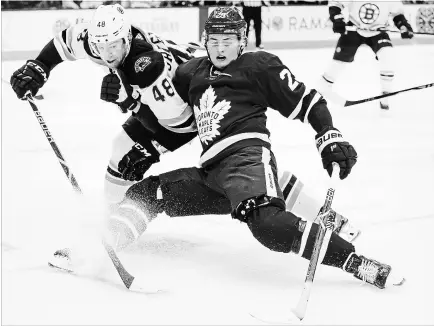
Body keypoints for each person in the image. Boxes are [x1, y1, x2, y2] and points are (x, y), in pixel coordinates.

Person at [10, 4, 359, 272]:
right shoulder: (96, 37)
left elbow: (177, 121)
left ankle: (109, 229)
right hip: (170, 95)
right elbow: (61, 45)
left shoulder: (144, 63)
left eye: (113, 46)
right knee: (232, 172)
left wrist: (132, 108)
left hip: (192, 98)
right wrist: (38, 68)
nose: (106, 54)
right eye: (99, 47)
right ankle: (113, 225)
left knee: (226, 163)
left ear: (127, 38)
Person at [104, 7, 403, 289]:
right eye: (214, 41)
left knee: (267, 224)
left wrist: (329, 135)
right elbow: (172, 119)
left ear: (242, 41)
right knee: (147, 193)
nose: (220, 49)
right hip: (211, 175)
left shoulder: (258, 66)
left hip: (246, 159)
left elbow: (309, 101)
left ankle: (355, 261)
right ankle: (108, 240)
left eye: (228, 41)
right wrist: (133, 111)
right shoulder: (190, 73)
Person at [317, 0, 414, 110]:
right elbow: (336, 4)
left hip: (378, 32)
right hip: (354, 29)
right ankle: (321, 89)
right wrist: (337, 18)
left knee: (387, 56)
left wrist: (403, 26)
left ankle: (385, 97)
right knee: (338, 63)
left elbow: (397, 14)